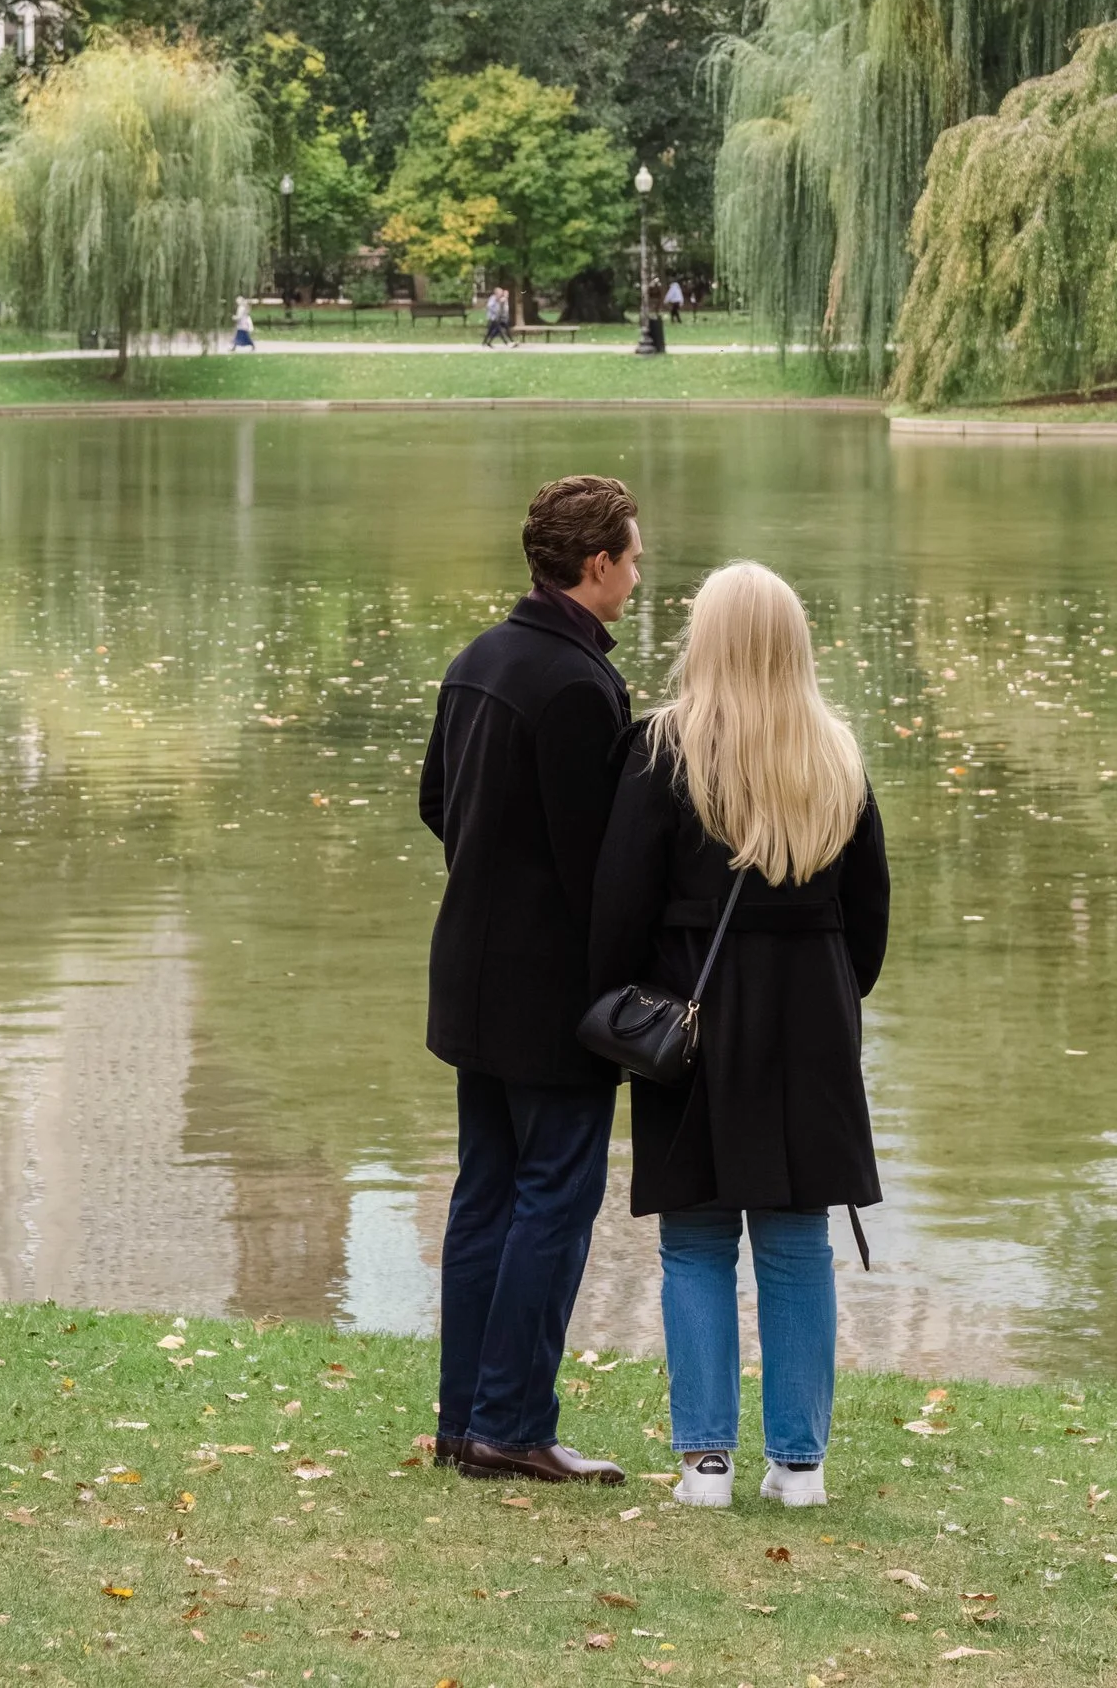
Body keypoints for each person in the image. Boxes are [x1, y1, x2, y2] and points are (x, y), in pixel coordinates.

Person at [587, 561, 888, 1514]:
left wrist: (630, 1000)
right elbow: (870, 919)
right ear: (793, 643)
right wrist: (828, 994)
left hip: (695, 1017)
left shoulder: (663, 752)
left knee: (696, 1242)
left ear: (705, 642)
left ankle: (704, 1463)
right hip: (811, 1028)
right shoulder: (836, 755)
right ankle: (799, 1465)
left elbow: (618, 909)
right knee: (798, 1245)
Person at [419, 472, 642, 1484]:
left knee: (484, 1194)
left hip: (468, 970)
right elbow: (596, 858)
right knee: (552, 1197)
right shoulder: (575, 687)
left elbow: (436, 804)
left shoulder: (478, 660)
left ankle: (465, 1419)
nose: (638, 578)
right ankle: (512, 1423)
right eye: (633, 560)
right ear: (595, 567)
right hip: (548, 993)